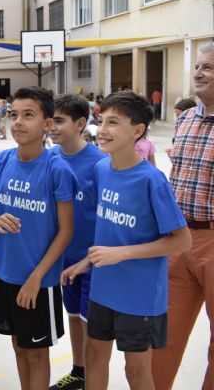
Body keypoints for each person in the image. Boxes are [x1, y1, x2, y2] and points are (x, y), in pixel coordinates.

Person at [63, 91, 191, 390]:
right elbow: (106, 227)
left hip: (139, 296)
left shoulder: (152, 180)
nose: (103, 130)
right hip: (102, 288)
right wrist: (86, 261)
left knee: (135, 370)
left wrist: (122, 254)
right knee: (94, 358)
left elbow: (181, 241)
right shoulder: (101, 169)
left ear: (137, 131)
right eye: (101, 121)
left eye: (113, 122)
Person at [0, 86, 76, 390]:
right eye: (13, 115)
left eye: (28, 115)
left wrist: (37, 277)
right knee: (19, 347)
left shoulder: (57, 169)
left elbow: (66, 231)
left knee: (37, 353)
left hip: (39, 281)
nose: (18, 122)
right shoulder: (1, 161)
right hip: (5, 274)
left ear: (48, 124)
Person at [152, 43, 214, 389]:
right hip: (178, 239)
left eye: (209, 68)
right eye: (198, 67)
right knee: (163, 333)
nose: (199, 73)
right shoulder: (186, 119)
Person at [48, 94, 107, 390]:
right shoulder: (51, 159)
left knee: (91, 325)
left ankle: (95, 380)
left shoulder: (100, 164)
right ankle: (79, 371)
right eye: (51, 120)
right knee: (72, 316)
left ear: (80, 123)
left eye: (59, 120)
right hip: (65, 259)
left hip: (94, 262)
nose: (52, 127)